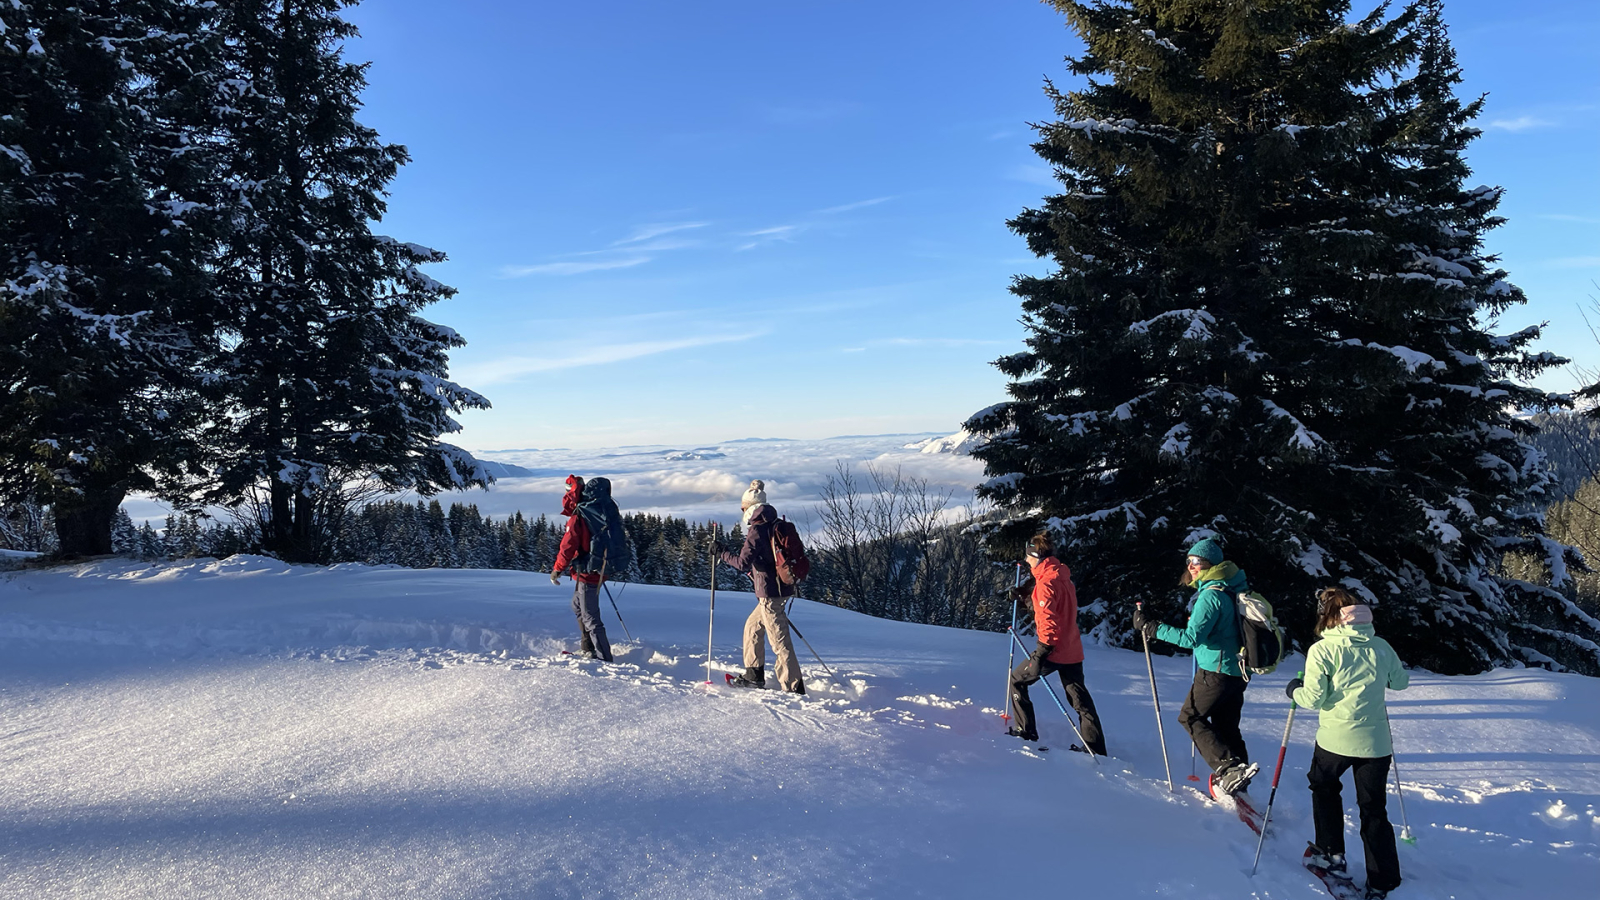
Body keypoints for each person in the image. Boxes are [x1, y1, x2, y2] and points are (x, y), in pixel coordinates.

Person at [1287, 587, 1410, 900]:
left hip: (1335, 740)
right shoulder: (1380, 646)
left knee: (1324, 786)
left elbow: (1314, 698)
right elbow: (1400, 682)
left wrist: (1294, 691)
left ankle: (1330, 853)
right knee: (1374, 809)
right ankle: (1383, 880)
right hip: (1376, 743)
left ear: (1328, 617)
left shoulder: (1323, 650)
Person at [1133, 537, 1255, 793]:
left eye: (1197, 561)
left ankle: (1228, 770)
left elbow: (1190, 639)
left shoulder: (1211, 596)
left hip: (1215, 671)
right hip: (1237, 671)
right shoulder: (1233, 588)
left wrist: (1151, 627)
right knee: (1226, 727)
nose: (1191, 566)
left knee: (1189, 717)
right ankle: (1239, 777)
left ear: (1210, 564)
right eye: (1188, 561)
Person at [1006, 533, 1106, 755]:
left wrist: (1041, 653)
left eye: (1028, 557)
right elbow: (1051, 608)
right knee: (1080, 699)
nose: (1026, 561)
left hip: (1053, 650)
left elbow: (1048, 621)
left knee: (1017, 681)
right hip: (1072, 648)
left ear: (1036, 556)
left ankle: (1025, 730)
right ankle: (1095, 746)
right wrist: (1024, 596)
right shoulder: (1061, 576)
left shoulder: (1045, 583)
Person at [719, 502, 805, 694]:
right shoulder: (774, 523)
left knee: (779, 640)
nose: (743, 513)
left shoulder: (757, 529)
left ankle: (793, 687)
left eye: (744, 508)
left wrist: (722, 552)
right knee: (752, 626)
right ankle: (753, 675)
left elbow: (742, 563)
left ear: (750, 509)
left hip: (770, 594)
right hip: (781, 589)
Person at [551, 474, 612, 661]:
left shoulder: (580, 516)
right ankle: (589, 648)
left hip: (588, 572)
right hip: (598, 568)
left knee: (590, 616)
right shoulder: (600, 511)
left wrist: (557, 569)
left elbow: (567, 546)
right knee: (577, 606)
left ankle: (604, 659)